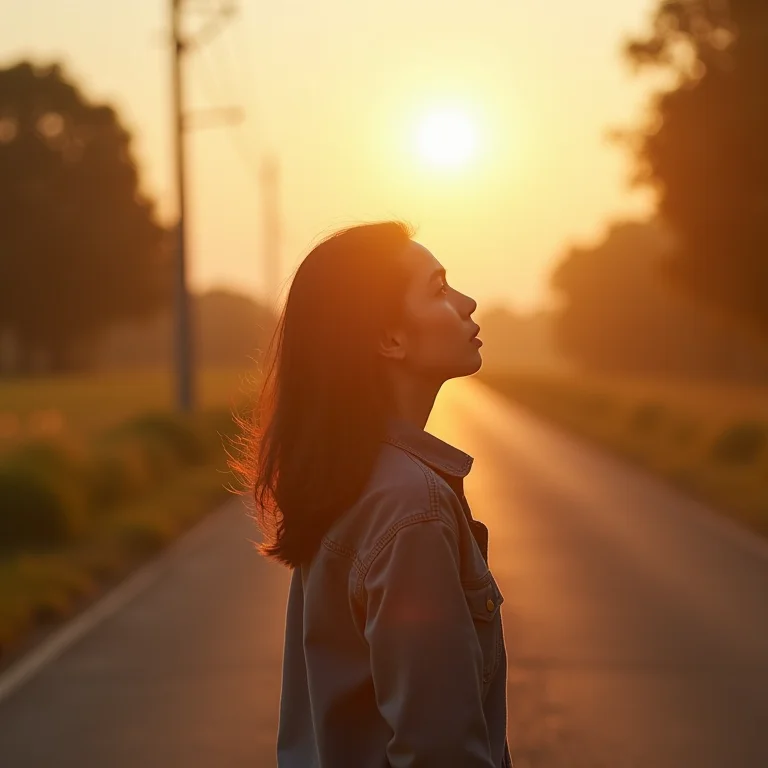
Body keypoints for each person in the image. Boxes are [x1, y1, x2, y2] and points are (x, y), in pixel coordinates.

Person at [236, 221, 512, 767]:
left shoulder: (353, 479)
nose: (467, 302)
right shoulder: (411, 507)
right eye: (438, 289)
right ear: (389, 339)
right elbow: (439, 753)